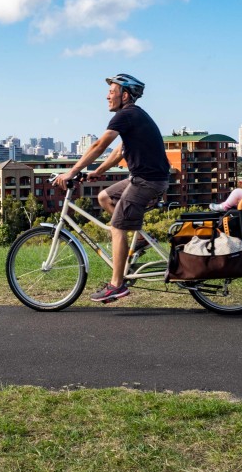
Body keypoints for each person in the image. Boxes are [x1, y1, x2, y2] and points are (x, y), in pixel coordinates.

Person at [54, 73, 170, 303]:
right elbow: (118, 152)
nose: (107, 96)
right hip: (145, 178)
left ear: (125, 95)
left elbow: (99, 145)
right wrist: (98, 171)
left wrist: (72, 172)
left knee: (117, 226)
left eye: (112, 91)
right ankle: (139, 240)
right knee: (105, 197)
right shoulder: (133, 117)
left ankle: (117, 285)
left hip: (147, 181)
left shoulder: (126, 115)